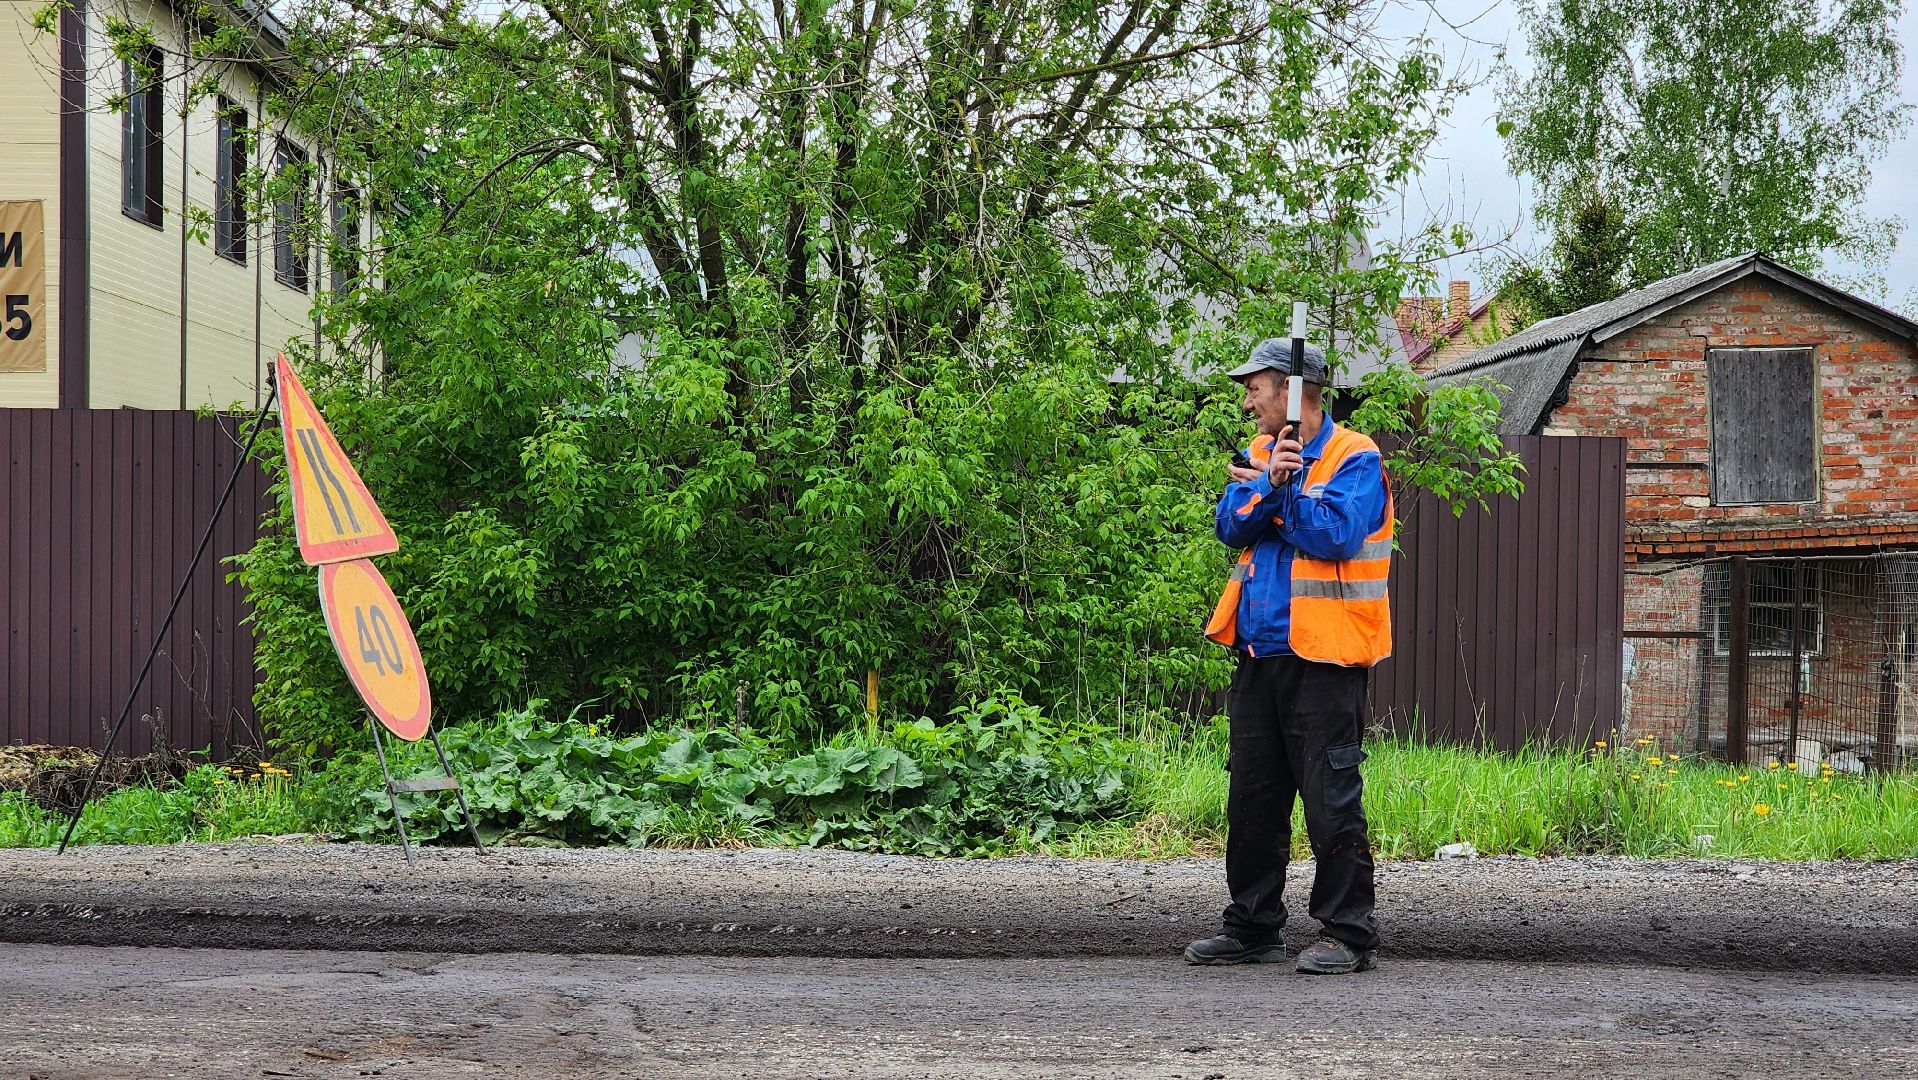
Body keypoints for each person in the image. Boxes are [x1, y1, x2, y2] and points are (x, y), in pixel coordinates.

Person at [1184, 338, 1393, 975]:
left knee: (1331, 798)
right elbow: (1230, 524)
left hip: (1326, 661)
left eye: (1256, 387)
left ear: (1293, 391)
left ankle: (1348, 932)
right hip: (1258, 653)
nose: (1247, 401)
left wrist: (1279, 490)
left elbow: (1332, 533)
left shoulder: (1355, 456)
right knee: (1252, 797)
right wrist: (1272, 490)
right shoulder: (1256, 453)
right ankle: (1251, 927)